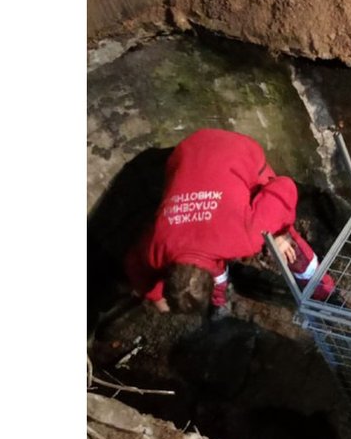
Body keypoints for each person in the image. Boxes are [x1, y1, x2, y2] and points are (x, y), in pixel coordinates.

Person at [125, 128, 336, 316]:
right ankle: (220, 301)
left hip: (237, 151)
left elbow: (284, 187)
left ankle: (322, 290)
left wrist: (280, 233)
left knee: (283, 233)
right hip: (190, 148)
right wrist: (155, 296)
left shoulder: (246, 236)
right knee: (267, 222)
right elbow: (135, 265)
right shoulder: (157, 245)